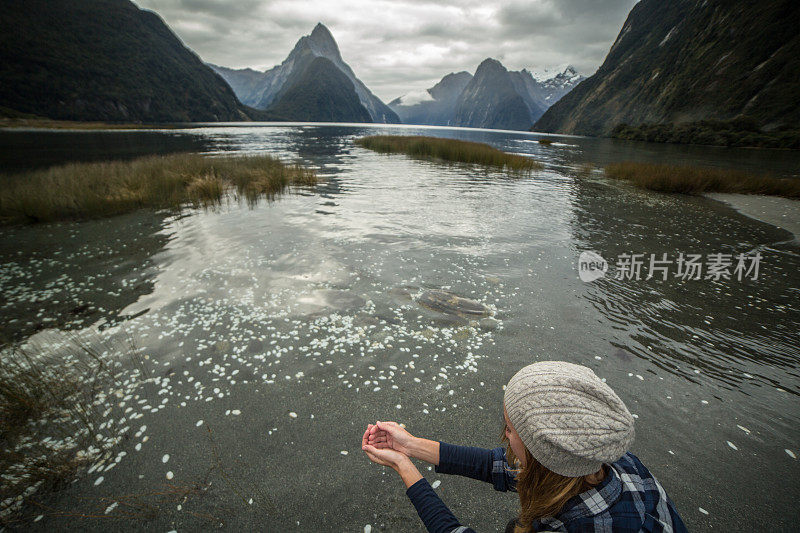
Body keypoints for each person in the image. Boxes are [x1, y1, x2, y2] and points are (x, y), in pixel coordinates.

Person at [361, 361, 688, 532]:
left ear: (543, 453)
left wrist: (404, 469)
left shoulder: (575, 526)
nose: (504, 435)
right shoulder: (609, 460)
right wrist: (410, 445)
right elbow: (500, 465)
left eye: (510, 428)